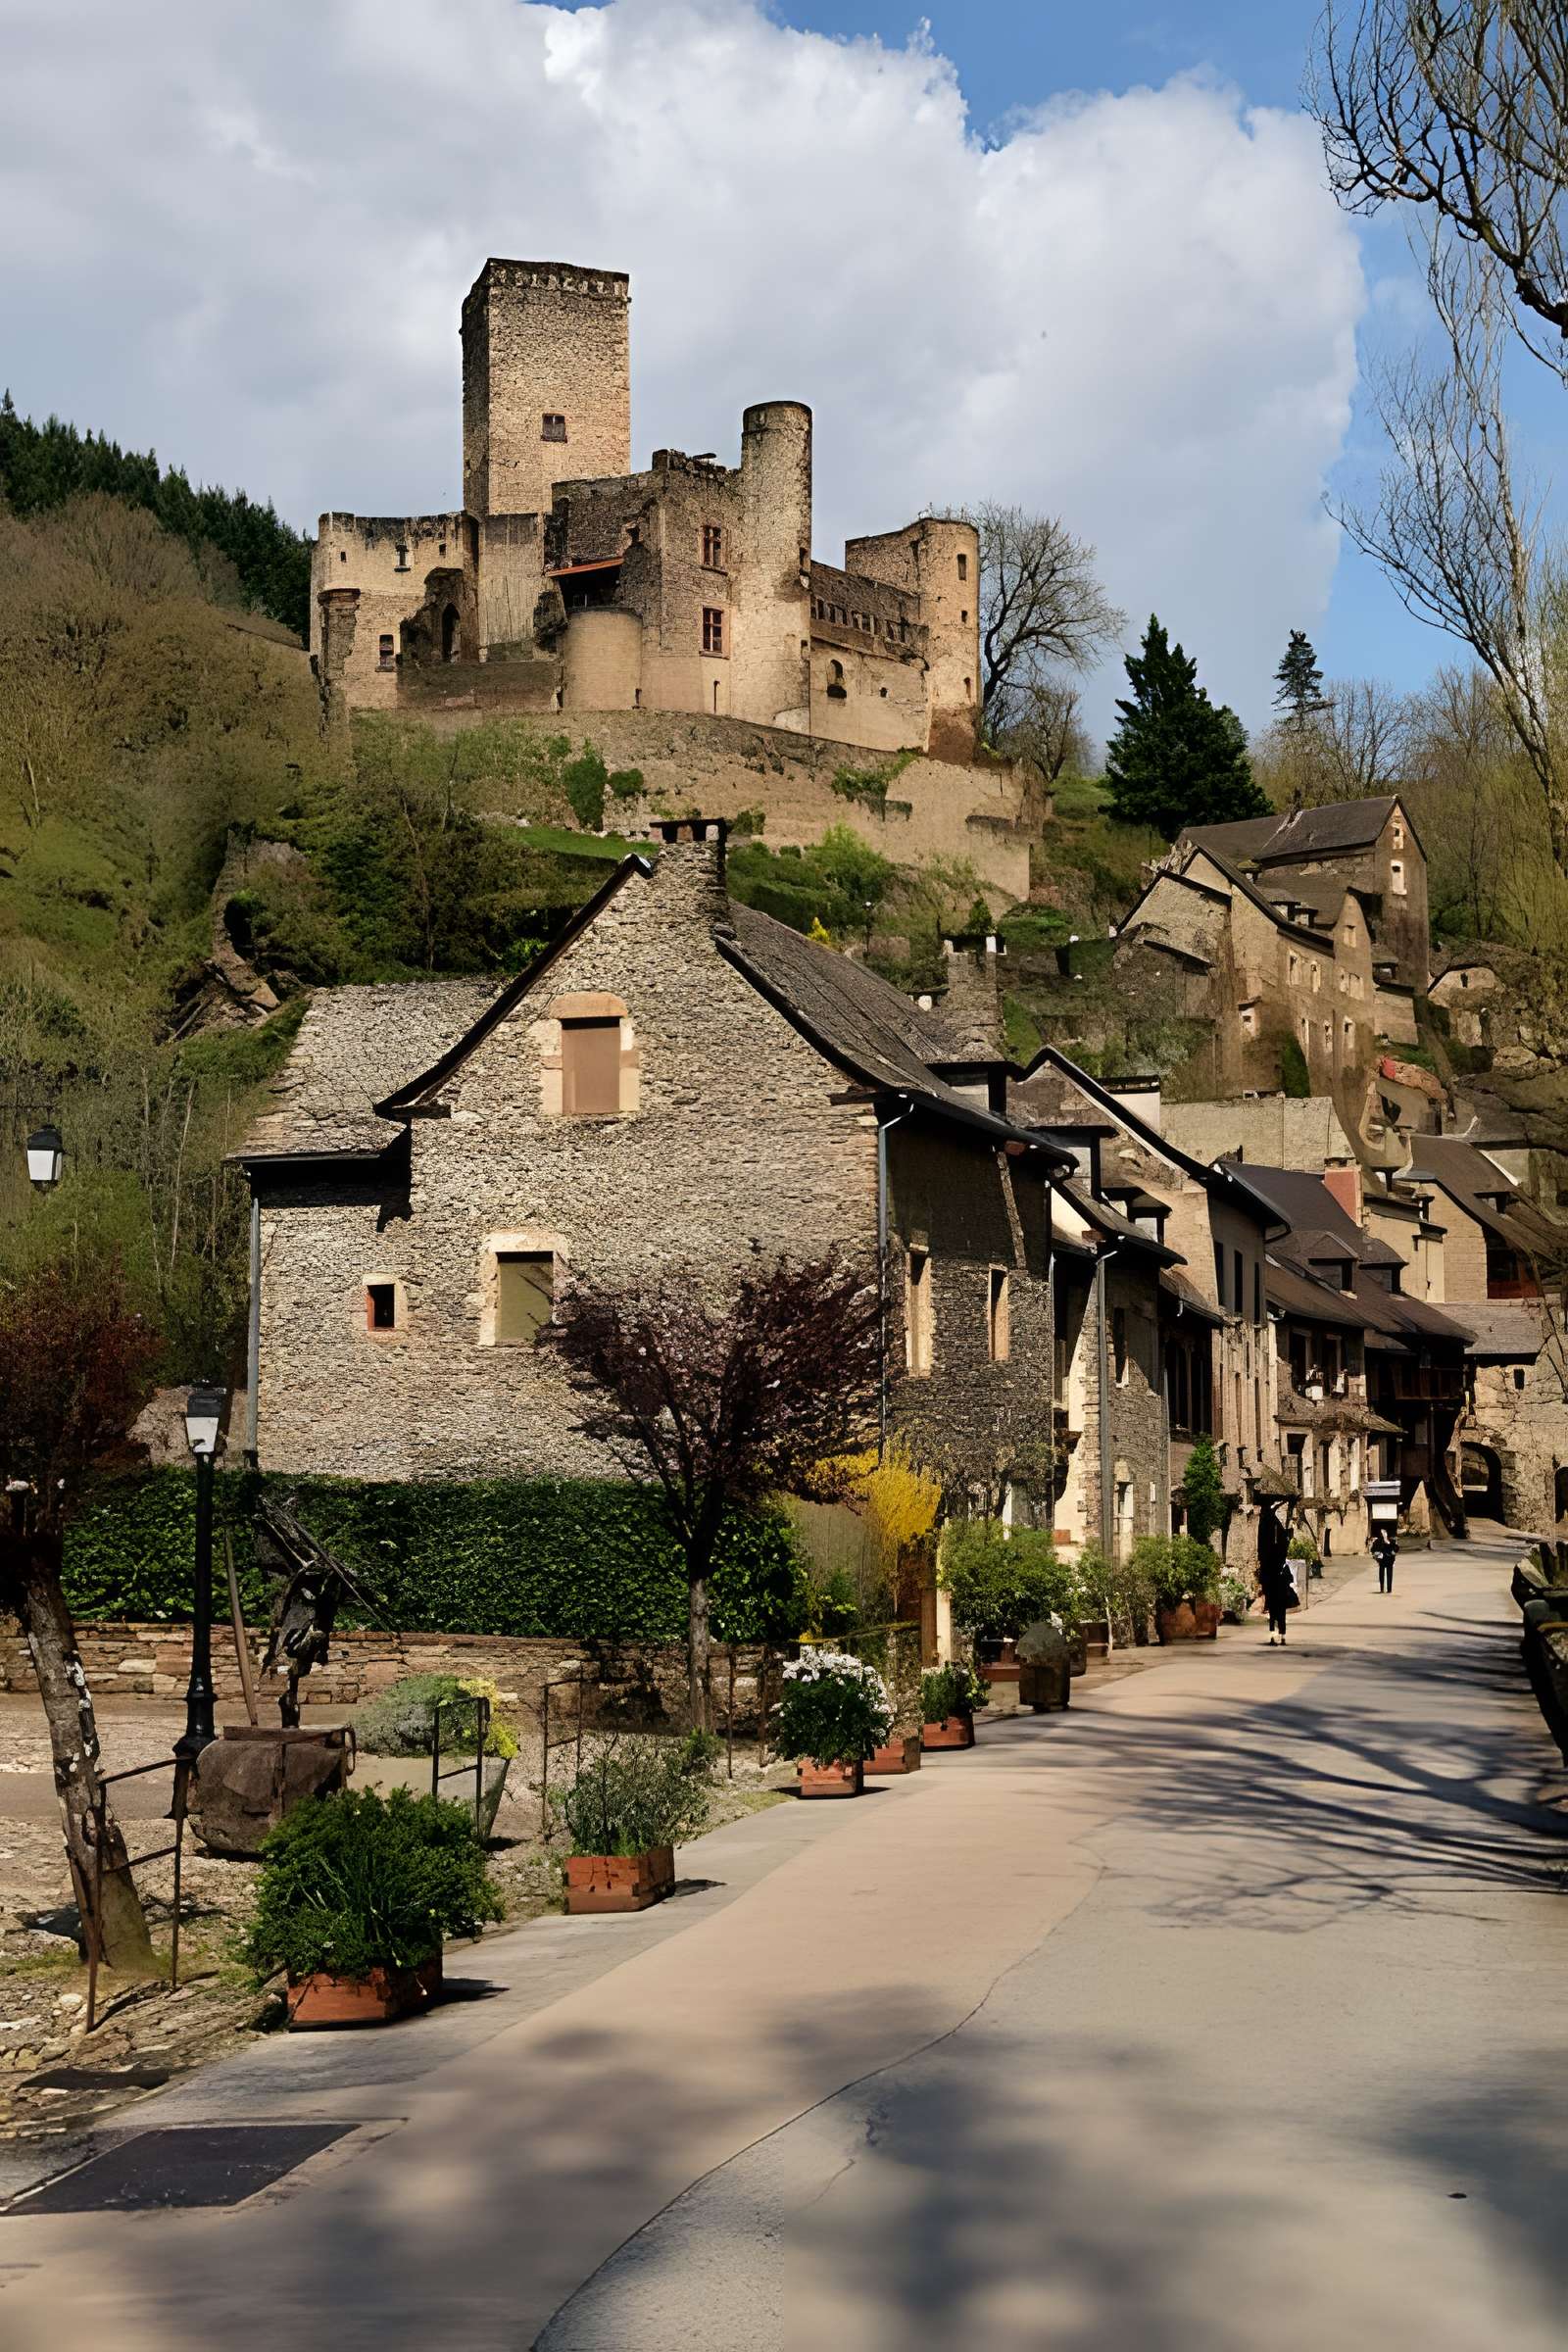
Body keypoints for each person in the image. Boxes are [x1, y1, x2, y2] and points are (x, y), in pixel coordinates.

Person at [1257, 1500, 1297, 1647]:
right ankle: (1281, 1637)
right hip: (1280, 1591)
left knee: (1273, 1614)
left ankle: (1274, 1637)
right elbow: (1290, 1579)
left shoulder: (1268, 1567)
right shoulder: (1282, 1566)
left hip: (1272, 1589)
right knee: (1280, 1615)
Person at [1371, 1523, 1396, 1594]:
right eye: (1382, 1533)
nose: (1383, 1534)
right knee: (1381, 1575)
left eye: (1384, 1532)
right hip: (1381, 1560)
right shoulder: (1377, 1541)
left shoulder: (1391, 1541)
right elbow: (1372, 1550)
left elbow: (1396, 1548)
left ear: (1386, 1533)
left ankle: (1389, 1589)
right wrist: (1375, 1554)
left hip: (1390, 1560)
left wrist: (1393, 1551)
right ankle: (1382, 1589)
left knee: (1389, 1575)